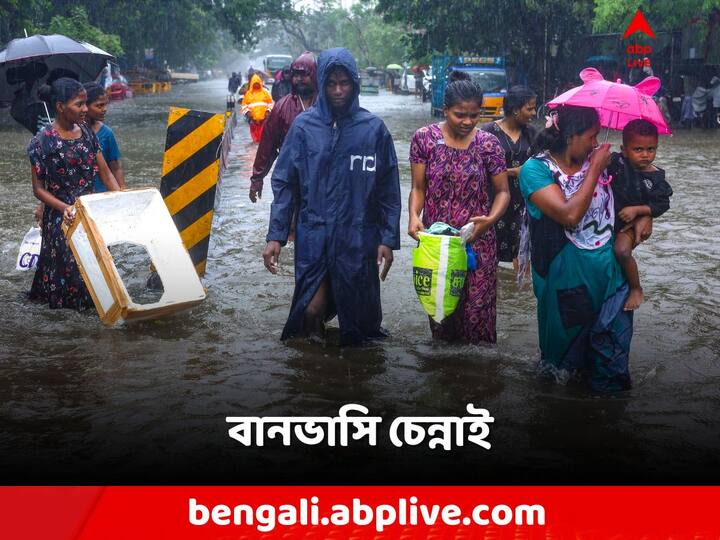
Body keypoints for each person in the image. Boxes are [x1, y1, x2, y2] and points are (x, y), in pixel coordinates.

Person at [263, 48, 401, 346]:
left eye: (345, 83)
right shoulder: (303, 128)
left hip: (357, 238)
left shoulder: (373, 130)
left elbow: (388, 190)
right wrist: (275, 235)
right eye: (331, 83)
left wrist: (387, 239)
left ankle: (351, 384)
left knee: (360, 327)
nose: (338, 91)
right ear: (321, 84)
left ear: (355, 84)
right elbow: (285, 182)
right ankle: (315, 381)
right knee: (310, 312)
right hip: (314, 235)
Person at [518, 105, 647, 392]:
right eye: (590, 137)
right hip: (564, 282)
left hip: (611, 278)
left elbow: (643, 189)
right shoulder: (536, 170)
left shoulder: (603, 161)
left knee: (611, 366)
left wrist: (646, 215)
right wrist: (594, 170)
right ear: (570, 137)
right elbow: (569, 214)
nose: (594, 143)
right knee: (562, 373)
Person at [408, 79, 510, 344]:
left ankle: (477, 377)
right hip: (438, 243)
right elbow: (418, 188)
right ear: (445, 111)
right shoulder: (424, 139)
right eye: (460, 115)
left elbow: (503, 192)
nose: (467, 121)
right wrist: (413, 217)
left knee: (477, 314)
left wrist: (489, 221)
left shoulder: (489, 144)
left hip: (479, 242)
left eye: (474, 115)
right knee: (441, 316)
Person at [28, 78, 120, 310]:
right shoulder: (42, 142)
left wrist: (120, 199)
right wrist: (64, 208)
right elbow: (38, 189)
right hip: (62, 217)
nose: (85, 109)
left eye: (85, 103)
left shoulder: (88, 134)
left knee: (98, 269)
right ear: (60, 107)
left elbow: (107, 174)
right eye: (79, 104)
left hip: (90, 212)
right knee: (67, 272)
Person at [608, 119, 672, 311]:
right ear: (624, 150)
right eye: (638, 150)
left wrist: (640, 211)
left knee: (622, 251)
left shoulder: (656, 178)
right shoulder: (616, 162)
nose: (645, 155)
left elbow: (662, 204)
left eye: (651, 149)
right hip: (609, 220)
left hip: (630, 225)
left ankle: (636, 288)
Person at [481, 85, 537, 267]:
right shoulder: (487, 133)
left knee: (522, 251)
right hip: (493, 203)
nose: (533, 113)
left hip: (523, 203)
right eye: (529, 108)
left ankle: (521, 295)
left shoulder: (532, 134)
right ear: (515, 110)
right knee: (490, 255)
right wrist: (514, 172)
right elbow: (477, 171)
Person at [250, 52, 317, 203]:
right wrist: (257, 179)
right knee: (284, 221)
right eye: (296, 74)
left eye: (304, 74)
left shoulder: (326, 104)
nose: (299, 79)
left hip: (319, 178)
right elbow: (267, 146)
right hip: (289, 175)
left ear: (315, 76)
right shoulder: (281, 107)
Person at [83, 82, 126, 192]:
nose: (105, 109)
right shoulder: (70, 134)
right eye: (99, 106)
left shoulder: (106, 133)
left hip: (102, 193)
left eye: (105, 104)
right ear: (84, 106)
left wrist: (122, 192)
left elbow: (115, 167)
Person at [241, 72, 273, 143]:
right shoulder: (248, 94)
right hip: (252, 120)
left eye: (257, 83)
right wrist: (248, 112)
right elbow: (244, 105)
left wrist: (268, 111)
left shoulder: (265, 92)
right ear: (252, 83)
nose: (256, 85)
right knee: (255, 139)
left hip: (264, 119)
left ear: (260, 83)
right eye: (254, 84)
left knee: (263, 138)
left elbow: (270, 103)